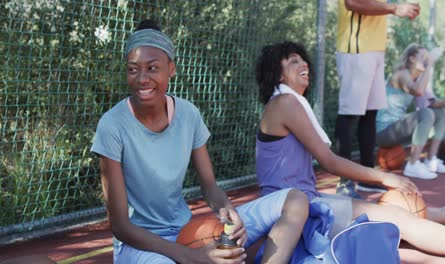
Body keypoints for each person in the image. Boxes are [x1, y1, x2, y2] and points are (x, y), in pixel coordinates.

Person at [91, 20, 309, 264]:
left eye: (152, 68)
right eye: (133, 69)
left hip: (186, 232)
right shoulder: (112, 125)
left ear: (170, 68)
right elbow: (120, 226)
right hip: (141, 245)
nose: (142, 78)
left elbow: (210, 187)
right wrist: (191, 257)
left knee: (296, 199)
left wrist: (227, 211)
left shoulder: (188, 114)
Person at [255, 41, 445, 259]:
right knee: (396, 221)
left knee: (394, 217)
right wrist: (384, 178)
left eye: (303, 60)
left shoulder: (287, 102)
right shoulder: (285, 102)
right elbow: (330, 161)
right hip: (292, 212)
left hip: (306, 202)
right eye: (293, 61)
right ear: (278, 75)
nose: (304, 64)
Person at [334, 0, 421, 197]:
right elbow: (352, 3)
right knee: (349, 115)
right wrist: (395, 8)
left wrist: (401, 6)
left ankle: (367, 177)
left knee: (370, 113)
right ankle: (344, 181)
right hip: (356, 48)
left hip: (374, 50)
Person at [376, 43, 445, 180]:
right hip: (384, 132)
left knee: (441, 112)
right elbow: (418, 91)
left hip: (399, 130)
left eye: (427, 57)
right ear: (412, 59)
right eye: (423, 56)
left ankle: (431, 159)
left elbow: (431, 102)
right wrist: (430, 65)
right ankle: (413, 164)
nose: (426, 59)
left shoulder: (418, 78)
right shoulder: (401, 74)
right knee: (426, 113)